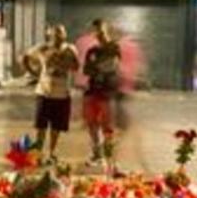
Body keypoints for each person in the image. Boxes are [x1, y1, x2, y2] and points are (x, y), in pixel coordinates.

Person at [22, 25, 79, 158]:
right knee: (41, 125)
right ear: (50, 35)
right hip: (44, 92)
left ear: (65, 35)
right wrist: (33, 72)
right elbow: (25, 57)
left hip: (62, 94)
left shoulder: (70, 49)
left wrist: (67, 60)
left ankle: (52, 152)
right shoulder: (43, 48)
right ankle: (38, 151)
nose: (58, 36)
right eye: (56, 34)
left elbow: (76, 67)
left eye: (61, 34)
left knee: (56, 127)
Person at [82, 19, 122, 163]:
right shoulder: (92, 51)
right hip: (92, 91)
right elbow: (86, 70)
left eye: (100, 30)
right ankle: (96, 153)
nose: (98, 33)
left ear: (106, 29)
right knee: (92, 124)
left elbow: (112, 67)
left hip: (107, 92)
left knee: (107, 125)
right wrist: (97, 67)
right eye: (95, 30)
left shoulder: (114, 47)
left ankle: (108, 153)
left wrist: (96, 66)